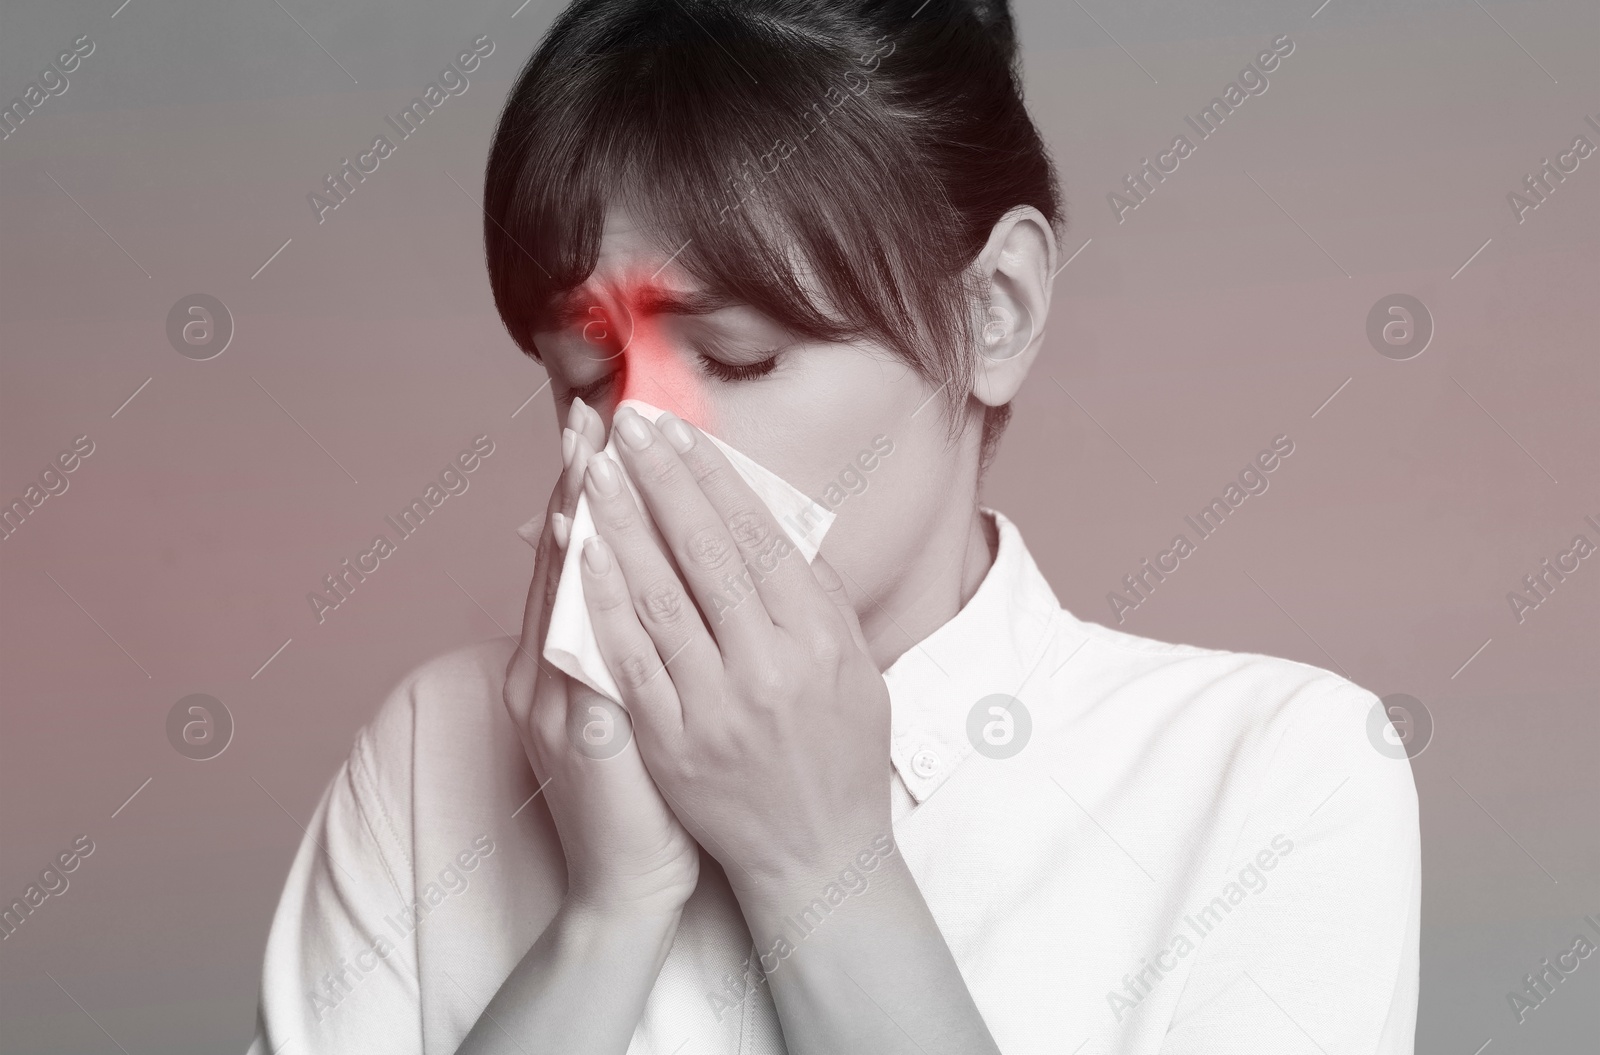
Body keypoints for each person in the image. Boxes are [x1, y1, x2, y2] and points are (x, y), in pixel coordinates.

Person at [248, 1, 1419, 1052]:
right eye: (586, 372)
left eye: (737, 357)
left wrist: (820, 866)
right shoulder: (435, 749)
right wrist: (608, 919)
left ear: (992, 313)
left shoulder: (1274, 771)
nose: (640, 436)